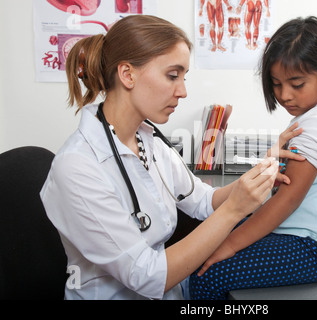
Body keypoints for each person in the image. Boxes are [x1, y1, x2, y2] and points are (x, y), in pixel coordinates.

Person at [40, 15, 303, 300]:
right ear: (127, 74)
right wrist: (234, 210)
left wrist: (256, 178)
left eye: (184, 77)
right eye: (172, 75)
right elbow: (146, 275)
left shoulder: (150, 141)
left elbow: (202, 201)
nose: (183, 91)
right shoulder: (77, 167)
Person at [189, 16, 317, 299]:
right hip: (304, 238)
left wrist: (230, 246)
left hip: (315, 249)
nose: (284, 95)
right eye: (277, 84)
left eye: (296, 84)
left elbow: (287, 200)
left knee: (208, 275)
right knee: (207, 241)